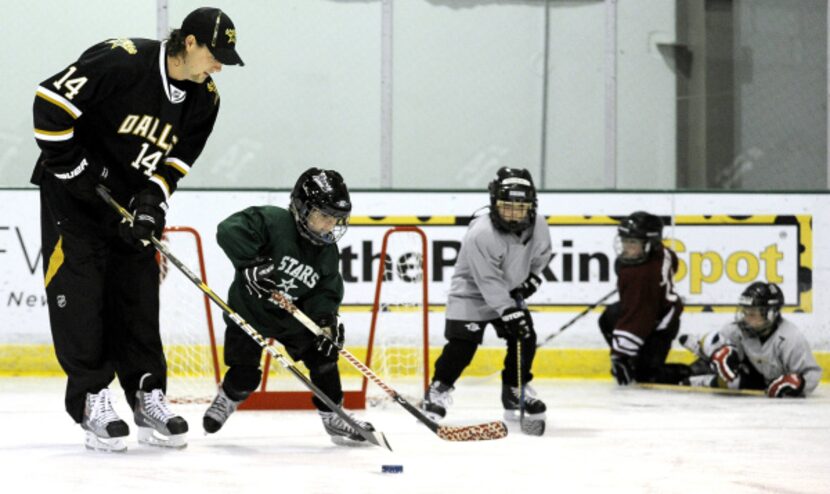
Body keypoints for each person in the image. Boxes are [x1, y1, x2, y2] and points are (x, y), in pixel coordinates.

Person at [31, 7, 244, 452]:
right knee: (82, 291)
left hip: (126, 202)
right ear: (189, 43)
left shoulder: (207, 98)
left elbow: (175, 163)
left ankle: (147, 393)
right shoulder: (122, 61)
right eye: (215, 54)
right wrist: (73, 169)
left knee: (139, 292)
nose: (219, 65)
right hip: (72, 198)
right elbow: (49, 103)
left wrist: (151, 203)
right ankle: (92, 397)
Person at [202, 167, 376, 446]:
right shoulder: (273, 221)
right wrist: (251, 264)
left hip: (292, 317)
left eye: (335, 219)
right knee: (245, 376)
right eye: (323, 216)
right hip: (249, 312)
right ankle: (228, 397)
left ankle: (334, 416)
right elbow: (229, 230)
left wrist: (325, 321)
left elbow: (326, 290)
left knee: (324, 358)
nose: (329, 226)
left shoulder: (327, 252)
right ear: (301, 208)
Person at [421, 167, 552, 426]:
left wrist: (531, 280)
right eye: (507, 206)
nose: (514, 214)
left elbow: (541, 256)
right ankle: (437, 391)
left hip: (507, 293)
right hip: (471, 293)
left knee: (525, 335)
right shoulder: (481, 233)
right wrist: (507, 308)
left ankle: (515, 391)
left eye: (521, 207)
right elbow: (487, 280)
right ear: (494, 204)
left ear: (532, 206)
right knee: (462, 345)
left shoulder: (539, 225)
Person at [679, 282, 822, 397]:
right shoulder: (739, 329)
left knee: (734, 383)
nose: (746, 318)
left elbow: (812, 374)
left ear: (771, 314)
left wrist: (799, 384)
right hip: (742, 371)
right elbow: (712, 340)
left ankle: (691, 381)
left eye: (752, 314)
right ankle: (679, 376)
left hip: (755, 381)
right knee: (682, 372)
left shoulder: (790, 338)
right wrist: (715, 351)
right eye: (745, 312)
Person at [598, 211, 689, 385]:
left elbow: (639, 317)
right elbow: (673, 262)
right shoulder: (660, 253)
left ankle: (690, 373)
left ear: (650, 243)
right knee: (609, 316)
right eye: (624, 241)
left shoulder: (644, 276)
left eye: (632, 242)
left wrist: (621, 356)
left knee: (646, 377)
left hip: (661, 324)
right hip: (651, 309)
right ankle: (635, 361)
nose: (626, 248)